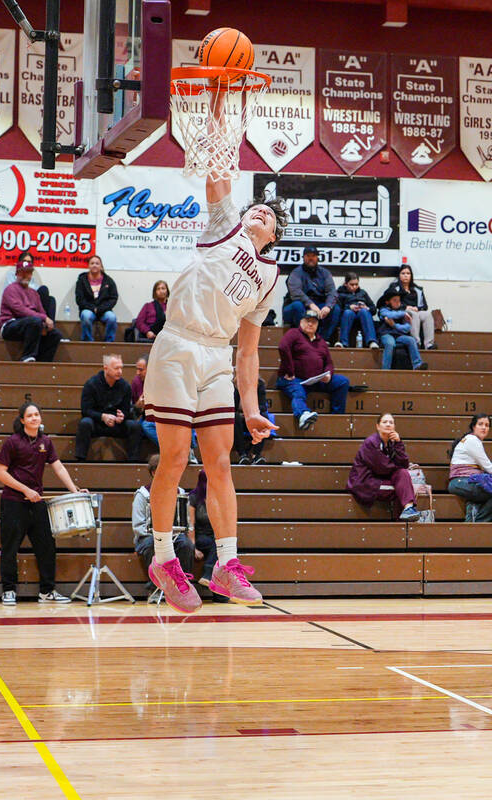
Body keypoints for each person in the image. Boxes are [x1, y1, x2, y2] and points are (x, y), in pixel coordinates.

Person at [142, 104, 284, 613]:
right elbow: (219, 167)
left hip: (218, 357)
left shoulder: (270, 277)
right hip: (178, 345)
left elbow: (249, 350)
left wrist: (252, 409)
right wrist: (221, 105)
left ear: (275, 236)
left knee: (220, 462)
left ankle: (226, 564)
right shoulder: (226, 224)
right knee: (176, 457)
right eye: (256, 208)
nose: (260, 212)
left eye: (269, 215)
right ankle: (164, 558)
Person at [0, 401, 81, 605]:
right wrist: (25, 489)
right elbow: (0, 473)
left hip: (37, 502)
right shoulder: (12, 442)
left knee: (47, 547)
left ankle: (47, 591)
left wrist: (74, 490)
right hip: (13, 502)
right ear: (22, 420)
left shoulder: (46, 442)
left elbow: (59, 468)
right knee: (10, 547)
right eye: (30, 415)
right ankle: (8, 590)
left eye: (37, 415)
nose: (34, 418)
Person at [276, 309, 350, 431]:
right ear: (301, 322)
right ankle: (303, 414)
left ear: (317, 325)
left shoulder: (321, 341)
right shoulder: (293, 333)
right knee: (297, 392)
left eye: (314, 322)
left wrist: (328, 375)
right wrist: (289, 371)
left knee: (342, 381)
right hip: (294, 378)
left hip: (315, 380)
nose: (310, 324)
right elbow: (283, 347)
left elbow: (329, 363)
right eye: (307, 321)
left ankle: (336, 417)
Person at [346, 413, 420, 522]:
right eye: (384, 422)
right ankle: (400, 524)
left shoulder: (391, 443)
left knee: (403, 473)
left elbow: (404, 465)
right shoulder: (371, 442)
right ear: (378, 426)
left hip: (381, 479)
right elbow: (382, 468)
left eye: (391, 422)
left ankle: (408, 509)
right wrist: (398, 467)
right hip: (366, 483)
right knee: (403, 490)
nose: (388, 424)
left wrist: (398, 443)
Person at [132, 454, 195, 576]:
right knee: (152, 545)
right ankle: (155, 584)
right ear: (154, 472)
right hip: (148, 537)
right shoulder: (142, 494)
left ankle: (183, 581)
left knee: (186, 545)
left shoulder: (180, 492)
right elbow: (138, 526)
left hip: (175, 535)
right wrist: (161, 537)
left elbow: (186, 521)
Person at [75, 353, 143, 463]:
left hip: (117, 424)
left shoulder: (125, 386)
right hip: (98, 423)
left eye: (121, 368)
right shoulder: (91, 384)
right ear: (106, 368)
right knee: (85, 423)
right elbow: (86, 410)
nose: (120, 371)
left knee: (135, 426)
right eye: (116, 368)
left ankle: (133, 462)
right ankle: (80, 460)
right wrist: (102, 417)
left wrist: (122, 416)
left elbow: (126, 410)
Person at [448, 413, 492, 522]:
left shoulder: (472, 440)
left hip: (463, 482)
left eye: (487, 425)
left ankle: (474, 509)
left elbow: (485, 465)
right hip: (462, 482)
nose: (484, 427)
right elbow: (487, 466)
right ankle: (478, 521)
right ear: (473, 426)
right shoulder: (472, 440)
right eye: (480, 424)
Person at [0, 259, 63, 362]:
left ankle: (42, 362)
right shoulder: (10, 289)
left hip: (31, 325)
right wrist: (44, 318)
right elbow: (20, 311)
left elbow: (41, 312)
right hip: (10, 325)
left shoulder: (34, 293)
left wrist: (45, 323)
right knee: (34, 321)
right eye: (22, 272)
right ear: (17, 274)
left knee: (56, 334)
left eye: (28, 272)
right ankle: (27, 357)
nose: (26, 275)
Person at [282, 245, 340, 341]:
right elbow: (296, 292)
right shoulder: (296, 272)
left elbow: (332, 291)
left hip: (319, 304)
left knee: (336, 309)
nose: (310, 258)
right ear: (303, 257)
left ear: (317, 258)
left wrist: (328, 306)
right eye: (308, 256)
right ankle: (304, 339)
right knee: (297, 305)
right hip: (299, 304)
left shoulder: (325, 273)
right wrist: (311, 304)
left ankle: (322, 340)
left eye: (313, 256)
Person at [385, 262, 437, 349]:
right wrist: (406, 307)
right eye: (403, 273)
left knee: (427, 314)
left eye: (408, 273)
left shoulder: (417, 289)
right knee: (414, 314)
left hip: (416, 310)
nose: (406, 275)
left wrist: (417, 308)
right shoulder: (394, 287)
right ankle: (416, 342)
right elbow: (390, 302)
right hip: (402, 311)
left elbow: (425, 306)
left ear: (411, 275)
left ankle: (429, 344)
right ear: (399, 275)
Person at [377, 289, 428, 371]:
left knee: (411, 340)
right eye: (395, 300)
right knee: (390, 343)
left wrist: (394, 325)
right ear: (387, 302)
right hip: (386, 334)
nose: (398, 302)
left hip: (399, 335)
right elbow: (390, 315)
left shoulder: (401, 310)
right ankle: (386, 369)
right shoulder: (384, 310)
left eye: (399, 300)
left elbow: (407, 328)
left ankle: (417, 364)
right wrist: (403, 313)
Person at [3, 250, 58, 322]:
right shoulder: (12, 275)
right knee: (43, 290)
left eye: (29, 262)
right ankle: (44, 321)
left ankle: (49, 325)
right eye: (24, 261)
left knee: (51, 300)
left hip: (30, 304)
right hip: (19, 304)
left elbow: (35, 293)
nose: (26, 264)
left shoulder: (31, 278)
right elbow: (11, 292)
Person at [74, 254, 119, 342]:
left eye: (97, 263)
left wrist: (100, 309)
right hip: (88, 310)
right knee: (86, 316)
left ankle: (109, 342)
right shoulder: (82, 280)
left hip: (104, 311)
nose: (94, 265)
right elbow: (79, 299)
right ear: (88, 266)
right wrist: (92, 308)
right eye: (92, 263)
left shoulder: (108, 280)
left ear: (101, 266)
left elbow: (113, 298)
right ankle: (88, 341)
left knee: (112, 317)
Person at [335, 272, 379, 349]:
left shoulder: (363, 293)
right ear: (346, 284)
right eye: (352, 284)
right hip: (348, 315)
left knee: (364, 311)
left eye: (356, 284)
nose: (354, 287)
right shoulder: (340, 293)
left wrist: (366, 307)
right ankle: (343, 342)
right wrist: (349, 307)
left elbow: (374, 309)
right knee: (348, 312)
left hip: (362, 315)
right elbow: (338, 310)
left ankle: (372, 341)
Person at [233, 372, 269, 465]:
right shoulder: (233, 385)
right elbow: (232, 406)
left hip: (254, 414)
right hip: (239, 416)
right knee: (235, 417)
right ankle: (242, 454)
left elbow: (263, 406)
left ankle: (256, 455)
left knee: (264, 417)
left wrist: (251, 413)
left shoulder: (260, 384)